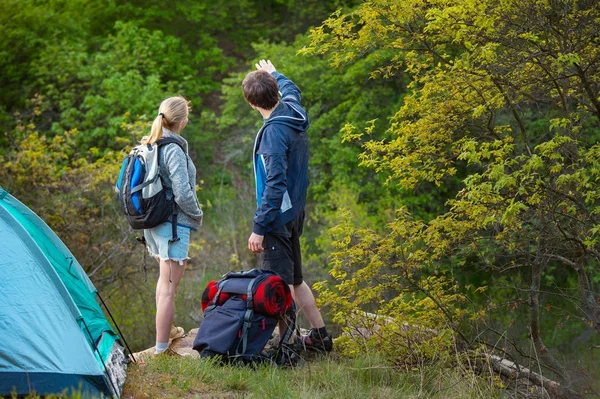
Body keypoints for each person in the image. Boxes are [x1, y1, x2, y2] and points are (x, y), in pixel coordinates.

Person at [243, 59, 332, 352]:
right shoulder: (293, 111)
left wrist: (259, 227)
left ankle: (288, 346)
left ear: (252, 103)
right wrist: (275, 73)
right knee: (295, 279)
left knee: (278, 284)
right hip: (294, 212)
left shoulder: (272, 135)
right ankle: (320, 337)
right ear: (276, 93)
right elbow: (292, 88)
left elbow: (275, 184)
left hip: (278, 217)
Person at [141, 96, 203, 357]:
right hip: (173, 226)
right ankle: (161, 350)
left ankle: (165, 337)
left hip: (154, 224)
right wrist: (197, 214)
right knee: (169, 287)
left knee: (163, 282)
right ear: (183, 120)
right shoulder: (173, 149)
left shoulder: (150, 143)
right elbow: (183, 194)